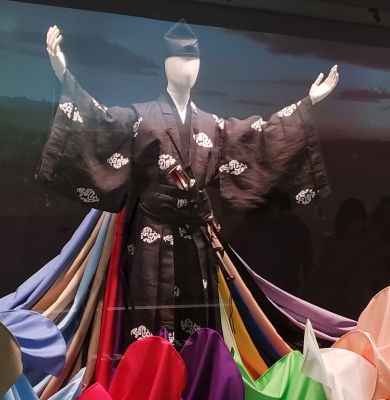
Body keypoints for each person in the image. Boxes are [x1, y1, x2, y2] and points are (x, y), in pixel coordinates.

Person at [37, 20, 339, 356]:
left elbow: (260, 136)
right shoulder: (141, 117)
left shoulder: (212, 125)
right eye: (181, 59)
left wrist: (307, 104)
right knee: (147, 317)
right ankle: (148, 382)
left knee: (198, 324)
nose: (188, 67)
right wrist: (64, 74)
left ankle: (197, 381)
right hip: (150, 235)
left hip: (196, 239)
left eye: (194, 60)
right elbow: (99, 121)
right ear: (166, 65)